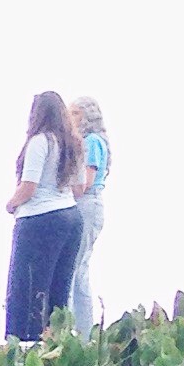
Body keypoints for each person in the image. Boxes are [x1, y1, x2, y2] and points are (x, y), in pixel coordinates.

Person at [4, 90, 83, 338]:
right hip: (70, 216)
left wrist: (11, 204)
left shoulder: (40, 142)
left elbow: (29, 186)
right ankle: (56, 340)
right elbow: (79, 188)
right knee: (59, 287)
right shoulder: (74, 144)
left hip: (39, 218)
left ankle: (24, 343)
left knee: (27, 289)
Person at [66, 94, 112, 331]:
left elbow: (86, 182)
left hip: (87, 203)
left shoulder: (92, 141)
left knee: (76, 269)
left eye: (74, 113)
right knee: (78, 268)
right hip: (87, 205)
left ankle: (79, 331)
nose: (69, 117)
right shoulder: (90, 141)